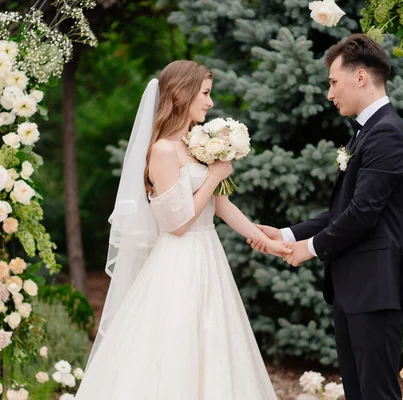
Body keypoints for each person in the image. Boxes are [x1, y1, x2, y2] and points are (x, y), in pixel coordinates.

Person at [75, 60, 287, 399]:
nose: (210, 102)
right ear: (180, 94)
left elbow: (220, 205)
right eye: (205, 93)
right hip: (178, 260)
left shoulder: (195, 144)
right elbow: (178, 224)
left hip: (209, 255)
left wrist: (264, 240)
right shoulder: (161, 151)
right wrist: (216, 175)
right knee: (175, 345)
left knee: (215, 342)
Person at [250, 34, 403, 400]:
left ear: (360, 77)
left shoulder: (388, 134)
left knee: (376, 393)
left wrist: (308, 248)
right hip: (356, 289)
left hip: (377, 290)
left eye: (332, 82)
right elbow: (342, 211)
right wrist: (286, 233)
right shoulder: (367, 134)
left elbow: (363, 214)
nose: (329, 94)